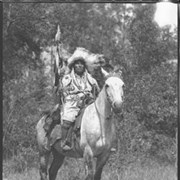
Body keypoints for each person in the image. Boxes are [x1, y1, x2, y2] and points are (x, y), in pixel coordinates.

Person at [59, 52, 100, 151]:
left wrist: (92, 95)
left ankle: (106, 141)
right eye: (77, 63)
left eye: (81, 63)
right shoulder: (67, 78)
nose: (79, 65)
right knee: (68, 119)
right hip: (74, 102)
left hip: (89, 102)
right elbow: (64, 92)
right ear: (73, 66)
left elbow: (97, 91)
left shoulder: (91, 79)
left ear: (84, 66)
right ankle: (64, 141)